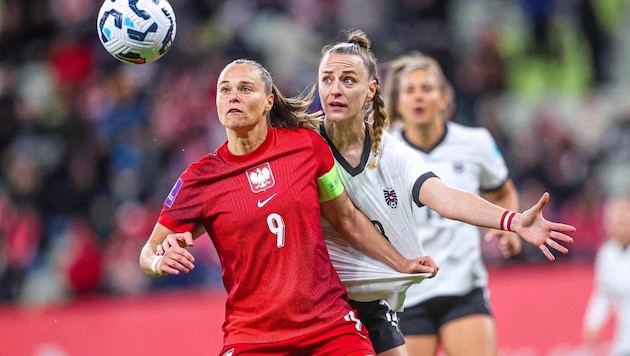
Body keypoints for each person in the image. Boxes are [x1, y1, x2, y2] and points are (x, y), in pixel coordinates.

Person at [138, 58, 439, 356]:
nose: (233, 96)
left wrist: (401, 262)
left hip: (329, 326)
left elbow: (346, 218)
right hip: (252, 337)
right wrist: (158, 261)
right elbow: (149, 252)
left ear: (269, 101)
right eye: (224, 90)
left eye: (245, 89)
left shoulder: (307, 147)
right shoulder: (200, 178)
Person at [317, 30, 576, 356]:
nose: (335, 89)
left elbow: (446, 196)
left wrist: (511, 221)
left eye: (348, 80)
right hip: (332, 298)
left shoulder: (396, 152)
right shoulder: (304, 143)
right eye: (326, 79)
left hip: (426, 286)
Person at [381, 51, 523, 356]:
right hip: (407, 293)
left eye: (427, 88)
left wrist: (510, 229)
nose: (419, 97)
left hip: (463, 287)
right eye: (410, 90)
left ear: (444, 99)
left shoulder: (475, 142)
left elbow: (503, 191)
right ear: (398, 103)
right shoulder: (381, 150)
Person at [582, 197, 630, 356]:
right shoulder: (607, 254)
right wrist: (593, 322)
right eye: (614, 216)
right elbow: (603, 293)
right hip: (623, 341)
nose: (619, 220)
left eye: (624, 215)